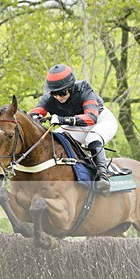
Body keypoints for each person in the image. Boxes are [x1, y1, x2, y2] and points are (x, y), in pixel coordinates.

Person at [29, 63, 116, 194]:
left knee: (93, 138)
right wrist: (33, 118)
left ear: (70, 87)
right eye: (54, 93)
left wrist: (62, 120)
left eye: (62, 92)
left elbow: (91, 117)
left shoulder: (84, 89)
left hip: (101, 120)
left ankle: (102, 177)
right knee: (56, 138)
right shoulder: (49, 98)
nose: (58, 97)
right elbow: (34, 114)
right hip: (76, 125)